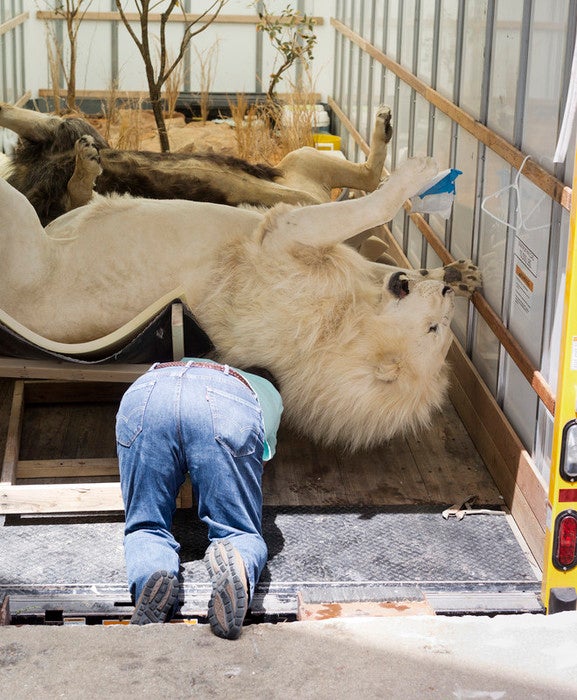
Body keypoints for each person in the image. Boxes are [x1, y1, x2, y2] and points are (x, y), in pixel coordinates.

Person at [115, 358, 283, 639]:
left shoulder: (199, 363)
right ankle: (236, 565)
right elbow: (258, 461)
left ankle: (151, 576)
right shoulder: (270, 393)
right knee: (238, 530)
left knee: (145, 526)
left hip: (148, 391)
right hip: (226, 403)